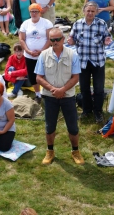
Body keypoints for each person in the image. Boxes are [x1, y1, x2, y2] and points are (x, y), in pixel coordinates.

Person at [35, 28, 84, 165]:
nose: (55, 42)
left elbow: (76, 77)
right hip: (49, 97)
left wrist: (62, 90)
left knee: (73, 127)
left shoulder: (72, 54)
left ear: (63, 39)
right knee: (50, 126)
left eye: (57, 39)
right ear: (49, 40)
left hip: (68, 96)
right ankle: (50, 151)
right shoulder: (43, 55)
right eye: (52, 39)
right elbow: (38, 77)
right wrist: (53, 89)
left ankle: (75, 151)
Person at [68, 1, 112, 123]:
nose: (90, 13)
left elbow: (107, 37)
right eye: (88, 11)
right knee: (84, 88)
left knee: (99, 89)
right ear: (84, 11)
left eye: (93, 11)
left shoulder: (101, 24)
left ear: (96, 12)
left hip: (98, 61)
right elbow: (71, 38)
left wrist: (107, 41)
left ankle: (98, 111)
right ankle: (86, 110)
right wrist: (70, 40)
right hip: (82, 62)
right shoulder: (77, 24)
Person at [19, 3, 53, 104]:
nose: (34, 13)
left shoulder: (46, 23)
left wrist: (42, 50)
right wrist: (28, 50)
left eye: (36, 11)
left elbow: (49, 39)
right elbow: (21, 39)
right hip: (29, 55)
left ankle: (47, 92)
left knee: (46, 74)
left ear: (40, 12)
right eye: (32, 11)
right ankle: (37, 94)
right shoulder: (25, 23)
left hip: (44, 54)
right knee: (32, 75)